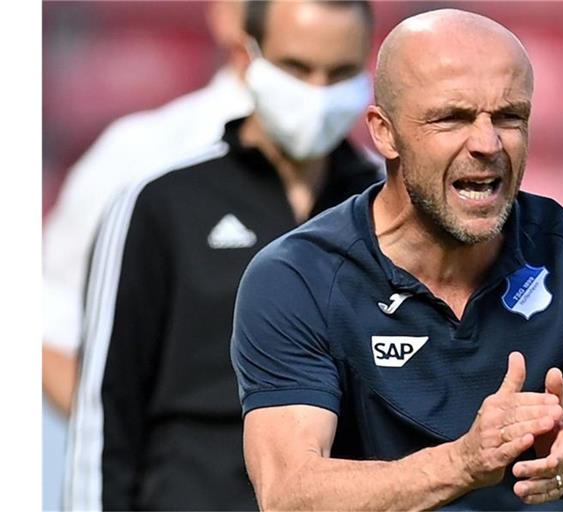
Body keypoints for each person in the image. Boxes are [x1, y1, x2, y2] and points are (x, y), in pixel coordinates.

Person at [231, 8, 563, 511]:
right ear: (384, 132)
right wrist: (463, 462)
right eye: (452, 118)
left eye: (509, 117)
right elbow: (289, 495)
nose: (487, 144)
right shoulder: (297, 278)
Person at [64, 1, 380, 510]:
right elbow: (106, 413)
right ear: (247, 57)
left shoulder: (387, 206)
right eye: (297, 67)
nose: (318, 92)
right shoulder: (160, 203)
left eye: (340, 72)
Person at [43, 0, 253, 417]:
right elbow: (51, 320)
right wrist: (121, 446)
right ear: (229, 15)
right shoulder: (139, 156)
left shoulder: (367, 173)